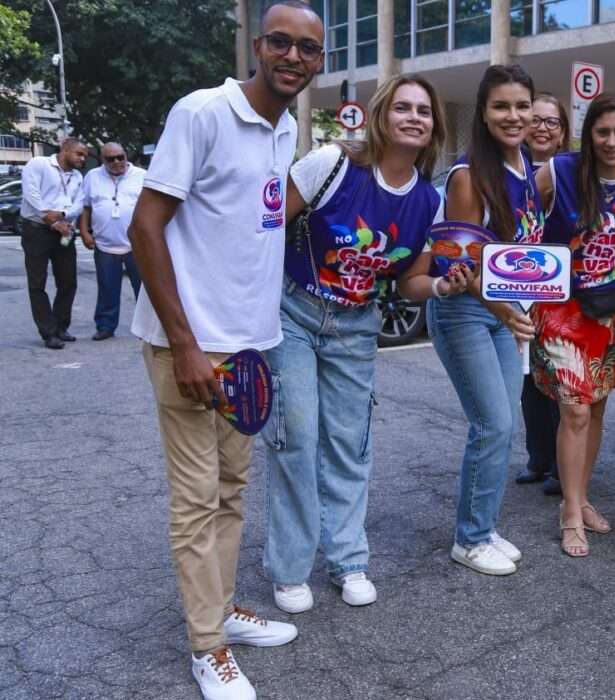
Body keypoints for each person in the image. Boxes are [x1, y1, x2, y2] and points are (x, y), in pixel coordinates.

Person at [127, 3, 324, 698]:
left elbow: (257, 221)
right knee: (195, 501)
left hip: (250, 345)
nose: (293, 57)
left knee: (234, 489)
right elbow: (145, 228)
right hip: (190, 345)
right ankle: (206, 645)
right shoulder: (203, 112)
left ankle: (223, 610)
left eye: (307, 49)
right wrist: (182, 343)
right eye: (280, 42)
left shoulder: (287, 127)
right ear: (257, 45)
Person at [264, 74, 450, 615]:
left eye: (424, 110)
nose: (414, 117)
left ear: (433, 125)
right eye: (403, 107)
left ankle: (349, 560)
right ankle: (290, 568)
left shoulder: (427, 201)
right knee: (296, 437)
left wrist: (441, 284)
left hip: (356, 325)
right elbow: (268, 229)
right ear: (381, 115)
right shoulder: (331, 165)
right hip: (294, 311)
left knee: (350, 444)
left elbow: (410, 282)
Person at [429, 63, 543, 576]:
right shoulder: (469, 174)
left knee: (505, 423)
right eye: (501, 106)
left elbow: (519, 253)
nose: (513, 115)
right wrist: (507, 309)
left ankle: (483, 523)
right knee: (492, 423)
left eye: (522, 105)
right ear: (483, 112)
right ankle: (470, 539)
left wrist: (528, 299)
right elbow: (459, 260)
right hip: (465, 311)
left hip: (502, 312)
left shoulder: (524, 166)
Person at [533, 91, 615, 556]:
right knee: (575, 410)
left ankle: (578, 499)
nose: (612, 141)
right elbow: (516, 213)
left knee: (596, 409)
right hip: (561, 309)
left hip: (609, 312)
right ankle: (571, 511)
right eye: (603, 131)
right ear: (589, 133)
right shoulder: (559, 171)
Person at [516, 92, 569, 494]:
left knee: (558, 378)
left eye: (552, 121)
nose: (543, 127)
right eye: (536, 119)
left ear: (564, 130)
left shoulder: (569, 172)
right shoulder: (509, 169)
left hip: (560, 289)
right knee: (528, 381)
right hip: (517, 287)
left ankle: (560, 466)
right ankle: (537, 457)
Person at [19, 137, 86, 349]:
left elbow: (79, 202)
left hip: (65, 231)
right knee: (37, 283)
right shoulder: (39, 164)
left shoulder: (77, 176)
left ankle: (60, 326)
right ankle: (48, 332)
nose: (82, 158)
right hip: (37, 230)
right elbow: (31, 193)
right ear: (65, 150)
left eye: (84, 155)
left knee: (68, 281)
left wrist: (65, 216)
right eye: (79, 153)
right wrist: (49, 218)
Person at [79, 142, 145, 340]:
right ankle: (105, 326)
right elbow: (86, 207)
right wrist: (84, 232)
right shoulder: (92, 176)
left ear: (126, 156)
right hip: (105, 244)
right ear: (102, 161)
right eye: (110, 159)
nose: (117, 162)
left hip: (138, 245)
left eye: (120, 157)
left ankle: (148, 328)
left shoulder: (142, 176)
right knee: (107, 287)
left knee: (144, 289)